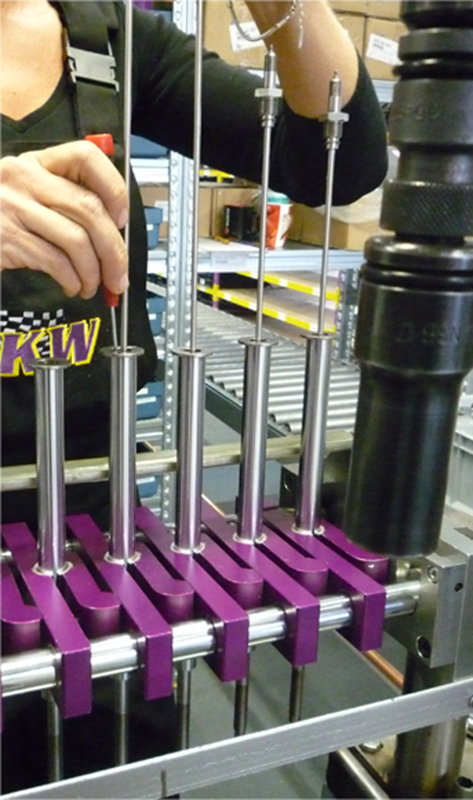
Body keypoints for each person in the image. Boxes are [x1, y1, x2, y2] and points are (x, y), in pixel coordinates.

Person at [0, 0, 388, 791]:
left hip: (85, 503)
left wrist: (284, 7)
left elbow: (337, 165)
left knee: (112, 755)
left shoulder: (108, 36)